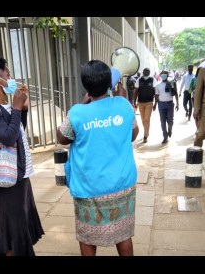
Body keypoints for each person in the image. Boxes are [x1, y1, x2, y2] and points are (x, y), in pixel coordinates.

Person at [56, 59, 139, 256]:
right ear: (110, 82)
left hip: (89, 188)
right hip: (122, 184)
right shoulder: (124, 105)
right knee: (123, 235)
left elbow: (61, 138)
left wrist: (82, 104)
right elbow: (133, 135)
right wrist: (123, 101)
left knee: (87, 236)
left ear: (86, 86)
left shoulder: (77, 112)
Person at [0, 54, 44, 256]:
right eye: (7, 73)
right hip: (6, 180)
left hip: (18, 175)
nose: (11, 77)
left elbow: (18, 130)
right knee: (15, 227)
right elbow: (7, 137)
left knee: (15, 228)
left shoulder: (3, 105)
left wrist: (23, 109)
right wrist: (15, 107)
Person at [132, 68, 157, 143]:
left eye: (147, 71)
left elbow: (156, 92)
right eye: (144, 71)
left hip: (149, 102)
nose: (145, 72)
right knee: (143, 120)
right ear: (143, 72)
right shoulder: (139, 80)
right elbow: (135, 91)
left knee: (147, 119)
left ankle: (145, 136)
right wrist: (134, 102)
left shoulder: (153, 80)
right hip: (140, 102)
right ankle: (146, 131)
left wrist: (155, 103)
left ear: (149, 72)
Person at [154, 70, 179, 143]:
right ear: (160, 76)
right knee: (162, 121)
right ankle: (165, 137)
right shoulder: (158, 86)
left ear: (167, 76)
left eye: (165, 74)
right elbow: (156, 96)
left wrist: (177, 103)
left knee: (170, 121)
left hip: (170, 104)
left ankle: (170, 129)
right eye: (162, 74)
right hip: (161, 104)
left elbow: (176, 93)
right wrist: (155, 104)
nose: (163, 75)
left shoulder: (171, 83)